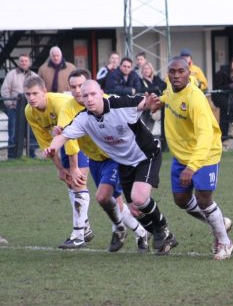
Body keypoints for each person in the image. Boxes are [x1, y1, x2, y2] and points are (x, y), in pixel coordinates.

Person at [44, 80, 177, 255]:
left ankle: (162, 228)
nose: (89, 99)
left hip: (146, 155)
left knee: (139, 197)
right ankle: (166, 236)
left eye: (93, 94)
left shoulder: (118, 104)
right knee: (135, 211)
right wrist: (52, 147)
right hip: (124, 163)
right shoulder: (84, 119)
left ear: (101, 92)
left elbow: (142, 102)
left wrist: (150, 104)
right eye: (85, 96)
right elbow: (64, 135)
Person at [60, 69, 149, 252]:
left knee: (103, 196)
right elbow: (66, 136)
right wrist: (72, 166)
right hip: (94, 160)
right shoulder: (68, 108)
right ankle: (140, 232)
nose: (78, 91)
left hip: (114, 158)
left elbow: (131, 118)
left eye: (81, 86)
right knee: (116, 203)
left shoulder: (107, 101)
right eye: (73, 87)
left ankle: (118, 228)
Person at [160, 57, 233, 260]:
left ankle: (224, 242)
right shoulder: (169, 87)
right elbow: (168, 96)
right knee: (181, 200)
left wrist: (192, 167)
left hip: (205, 154)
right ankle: (220, 222)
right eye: (172, 71)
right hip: (182, 154)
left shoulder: (195, 98)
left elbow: (205, 135)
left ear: (189, 73)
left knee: (204, 199)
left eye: (181, 71)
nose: (176, 75)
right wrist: (157, 102)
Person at [24, 76, 92, 249]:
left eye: (35, 93)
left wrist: (74, 167)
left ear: (45, 91)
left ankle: (79, 233)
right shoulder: (29, 112)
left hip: (84, 137)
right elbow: (47, 145)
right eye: (27, 94)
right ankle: (85, 228)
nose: (31, 98)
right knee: (70, 182)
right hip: (64, 141)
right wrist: (61, 169)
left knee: (78, 182)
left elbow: (71, 137)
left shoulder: (60, 104)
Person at [1, 53, 38, 158]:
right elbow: (4, 90)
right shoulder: (11, 75)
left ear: (29, 62)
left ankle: (31, 154)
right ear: (18, 62)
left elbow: (40, 91)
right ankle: (12, 155)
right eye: (22, 61)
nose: (24, 63)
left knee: (31, 132)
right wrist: (10, 104)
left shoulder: (34, 76)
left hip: (31, 109)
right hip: (15, 109)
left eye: (26, 61)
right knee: (13, 132)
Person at [212, 57, 233, 140]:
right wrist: (230, 86)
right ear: (231, 64)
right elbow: (217, 87)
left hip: (228, 98)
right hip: (219, 96)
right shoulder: (222, 73)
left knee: (224, 119)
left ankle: (223, 142)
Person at [140, 61, 167, 133]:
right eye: (144, 69)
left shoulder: (156, 78)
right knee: (142, 127)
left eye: (148, 69)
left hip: (154, 107)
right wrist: (155, 88)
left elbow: (164, 85)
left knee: (150, 129)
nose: (146, 70)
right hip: (144, 107)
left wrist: (154, 88)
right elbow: (141, 90)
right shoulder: (140, 80)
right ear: (142, 70)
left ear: (151, 70)